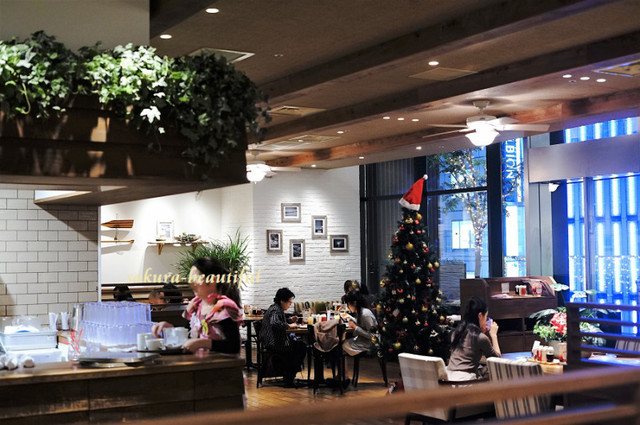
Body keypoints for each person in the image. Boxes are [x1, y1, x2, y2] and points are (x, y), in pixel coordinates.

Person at [152, 257, 242, 354]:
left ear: (212, 281)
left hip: (222, 362)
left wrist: (202, 343)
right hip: (199, 361)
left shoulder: (224, 306)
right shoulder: (195, 304)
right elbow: (188, 332)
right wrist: (171, 328)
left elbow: (234, 346)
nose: (192, 284)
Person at [259, 287, 306, 387]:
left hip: (272, 341)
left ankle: (288, 375)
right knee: (300, 347)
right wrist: (289, 326)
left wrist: (289, 320)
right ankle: (289, 378)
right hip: (274, 343)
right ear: (282, 301)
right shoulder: (276, 310)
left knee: (299, 345)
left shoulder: (275, 308)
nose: (290, 304)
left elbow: (278, 321)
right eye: (289, 302)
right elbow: (275, 323)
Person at [447, 296, 501, 380]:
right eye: (486, 316)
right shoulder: (480, 338)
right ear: (480, 315)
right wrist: (494, 335)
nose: (486, 320)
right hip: (465, 381)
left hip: (449, 379)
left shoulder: (456, 333)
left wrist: (481, 332)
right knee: (495, 372)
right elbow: (497, 361)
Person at [342, 291, 377, 356]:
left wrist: (355, 327)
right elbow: (362, 324)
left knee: (344, 345)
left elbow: (373, 336)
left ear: (354, 304)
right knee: (344, 343)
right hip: (364, 340)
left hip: (370, 344)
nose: (348, 307)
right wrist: (350, 317)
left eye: (348, 305)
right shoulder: (360, 311)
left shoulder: (365, 314)